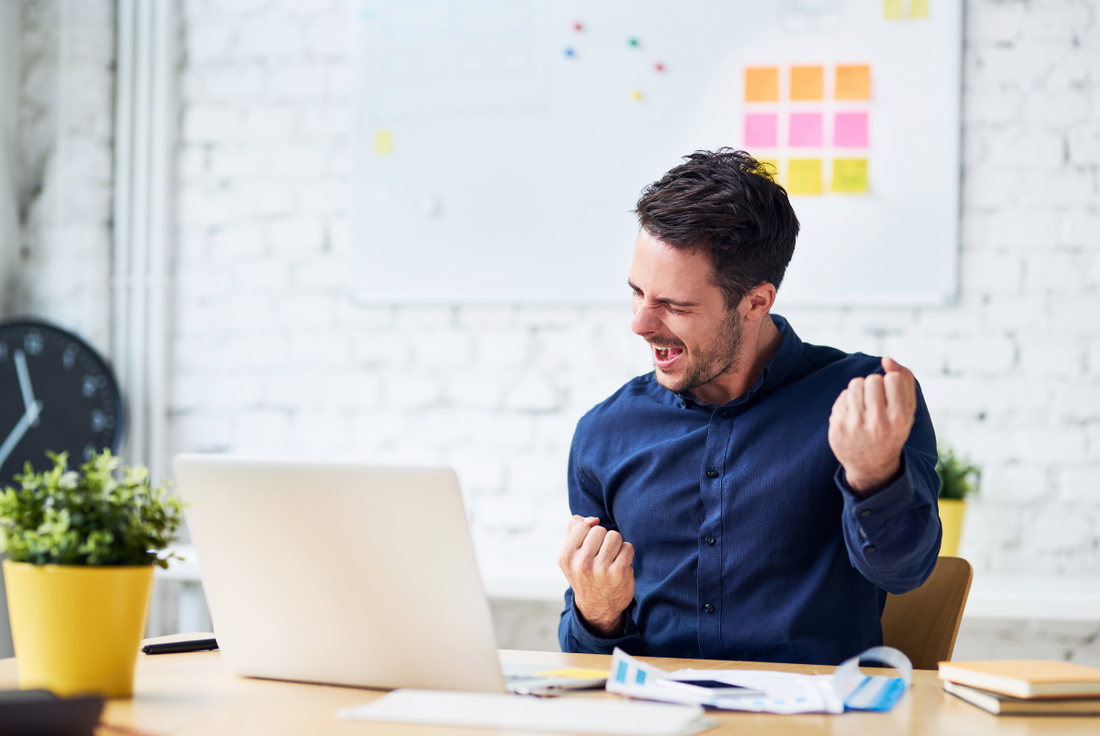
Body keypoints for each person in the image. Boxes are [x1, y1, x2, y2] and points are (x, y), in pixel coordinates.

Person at [557, 149, 941, 665]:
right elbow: (586, 658)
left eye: (674, 305)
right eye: (637, 293)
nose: (641, 324)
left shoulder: (865, 400)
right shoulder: (605, 433)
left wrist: (875, 474)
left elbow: (905, 572)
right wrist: (596, 613)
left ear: (757, 301)